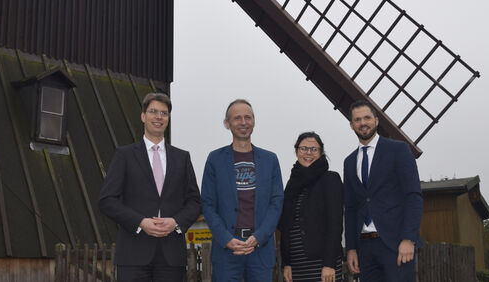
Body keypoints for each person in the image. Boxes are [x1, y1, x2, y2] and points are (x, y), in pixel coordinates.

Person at [98, 92, 201, 282]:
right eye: (153, 111)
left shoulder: (182, 157)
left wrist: (176, 222)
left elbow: (195, 201)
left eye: (164, 113)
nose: (159, 117)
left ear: (168, 119)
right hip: (133, 252)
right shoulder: (124, 155)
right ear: (143, 116)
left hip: (172, 256)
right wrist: (140, 222)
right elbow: (107, 200)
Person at [201, 99, 284, 282]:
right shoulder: (215, 159)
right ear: (227, 123)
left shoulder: (270, 159)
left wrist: (259, 236)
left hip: (260, 248)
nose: (243, 122)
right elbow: (207, 204)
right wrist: (226, 238)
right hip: (226, 250)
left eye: (248, 117)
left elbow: (276, 203)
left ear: (254, 121)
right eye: (237, 118)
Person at [343, 99, 423, 282]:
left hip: (396, 244)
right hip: (364, 247)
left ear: (376, 120)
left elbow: (413, 196)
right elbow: (351, 208)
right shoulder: (349, 162)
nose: (363, 123)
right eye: (357, 120)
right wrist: (351, 248)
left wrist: (408, 238)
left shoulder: (398, 150)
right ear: (351, 125)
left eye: (367, 118)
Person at [279, 132, 343, 282]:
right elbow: (287, 226)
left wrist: (329, 264)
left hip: (322, 264)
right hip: (296, 265)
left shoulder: (330, 179)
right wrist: (287, 263)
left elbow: (335, 224)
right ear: (296, 151)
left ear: (321, 152)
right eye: (303, 148)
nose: (308, 153)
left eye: (314, 149)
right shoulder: (291, 185)